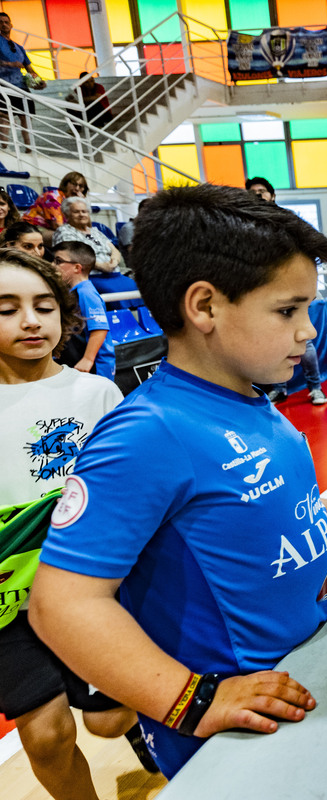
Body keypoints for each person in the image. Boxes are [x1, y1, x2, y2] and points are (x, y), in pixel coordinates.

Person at [27, 183, 327, 778]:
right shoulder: (148, 433)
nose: (308, 331)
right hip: (242, 737)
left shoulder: (247, 396)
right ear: (206, 306)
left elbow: (244, 517)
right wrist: (193, 701)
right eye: (288, 310)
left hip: (307, 674)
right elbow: (61, 605)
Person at [0, 249, 151, 799]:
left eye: (43, 306)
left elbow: (133, 490)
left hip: (92, 587)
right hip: (9, 607)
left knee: (107, 721)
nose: (31, 321)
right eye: (7, 308)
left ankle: (141, 729)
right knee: (47, 735)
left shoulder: (97, 394)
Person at [244, 178, 327, 406]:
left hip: (289, 289)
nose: (258, 195)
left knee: (305, 344)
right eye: (253, 192)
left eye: (262, 191)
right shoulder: (244, 225)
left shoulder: (286, 219)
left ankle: (315, 387)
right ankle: (279, 388)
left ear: (272, 195)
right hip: (264, 292)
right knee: (273, 343)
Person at [50, 240, 114, 381]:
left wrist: (88, 359)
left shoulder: (86, 292)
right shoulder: (73, 292)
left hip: (95, 367)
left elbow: (100, 329)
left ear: (77, 268)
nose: (52, 265)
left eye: (58, 261)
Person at [0, 12, 43, 151]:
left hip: (21, 87)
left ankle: (29, 149)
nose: (4, 24)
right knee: (4, 118)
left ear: (11, 25)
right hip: (4, 86)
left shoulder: (19, 47)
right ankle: (4, 149)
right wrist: (9, 64)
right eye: (1, 22)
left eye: (6, 22)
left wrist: (38, 80)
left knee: (26, 118)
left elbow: (29, 68)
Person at [52, 196, 124, 274]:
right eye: (76, 212)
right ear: (67, 214)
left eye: (84, 211)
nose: (81, 214)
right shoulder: (64, 231)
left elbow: (114, 250)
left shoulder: (94, 231)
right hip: (89, 275)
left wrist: (114, 262)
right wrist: (101, 266)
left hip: (113, 272)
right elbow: (74, 256)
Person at [24, 172, 89, 235]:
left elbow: (86, 226)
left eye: (80, 186)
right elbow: (57, 225)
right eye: (74, 184)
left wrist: (82, 203)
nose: (77, 189)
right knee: (68, 237)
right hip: (32, 227)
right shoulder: (53, 197)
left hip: (52, 229)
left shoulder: (71, 202)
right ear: (65, 184)